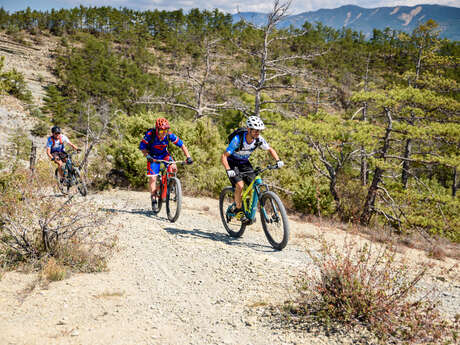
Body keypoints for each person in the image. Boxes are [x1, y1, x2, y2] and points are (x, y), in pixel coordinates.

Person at [221, 116, 284, 222]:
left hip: (244, 163)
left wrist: (278, 161)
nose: (257, 133)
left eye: (259, 130)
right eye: (255, 130)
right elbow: (224, 156)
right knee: (240, 186)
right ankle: (238, 210)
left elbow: (269, 149)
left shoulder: (259, 139)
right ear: (248, 129)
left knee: (256, 184)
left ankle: (248, 208)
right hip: (232, 163)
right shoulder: (238, 140)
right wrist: (228, 170)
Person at [139, 117, 193, 212]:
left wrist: (188, 157)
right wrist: (147, 156)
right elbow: (142, 147)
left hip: (164, 155)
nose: (163, 133)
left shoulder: (169, 135)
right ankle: (154, 199)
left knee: (174, 168)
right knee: (153, 178)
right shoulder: (150, 135)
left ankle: (170, 184)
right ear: (157, 129)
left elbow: (182, 145)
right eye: (161, 131)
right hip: (153, 156)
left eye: (165, 131)